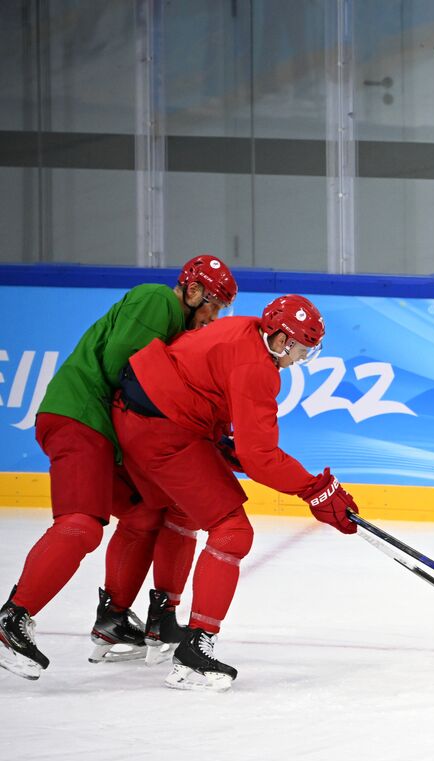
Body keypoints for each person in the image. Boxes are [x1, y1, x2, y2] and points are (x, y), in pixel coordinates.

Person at [0, 256, 236, 681]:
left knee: (146, 512)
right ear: (194, 290)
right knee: (82, 526)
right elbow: (122, 371)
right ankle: (12, 619)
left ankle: (112, 620)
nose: (213, 316)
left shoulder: (180, 328)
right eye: (213, 304)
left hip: (105, 429)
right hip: (81, 418)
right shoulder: (157, 300)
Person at [110, 295, 359, 692]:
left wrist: (223, 443)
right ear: (279, 339)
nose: (300, 357)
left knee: (186, 512)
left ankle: (162, 621)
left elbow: (204, 388)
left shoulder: (243, 328)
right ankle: (193, 653)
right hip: (164, 431)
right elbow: (259, 457)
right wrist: (316, 490)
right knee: (233, 532)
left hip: (139, 415)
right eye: (299, 348)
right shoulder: (258, 368)